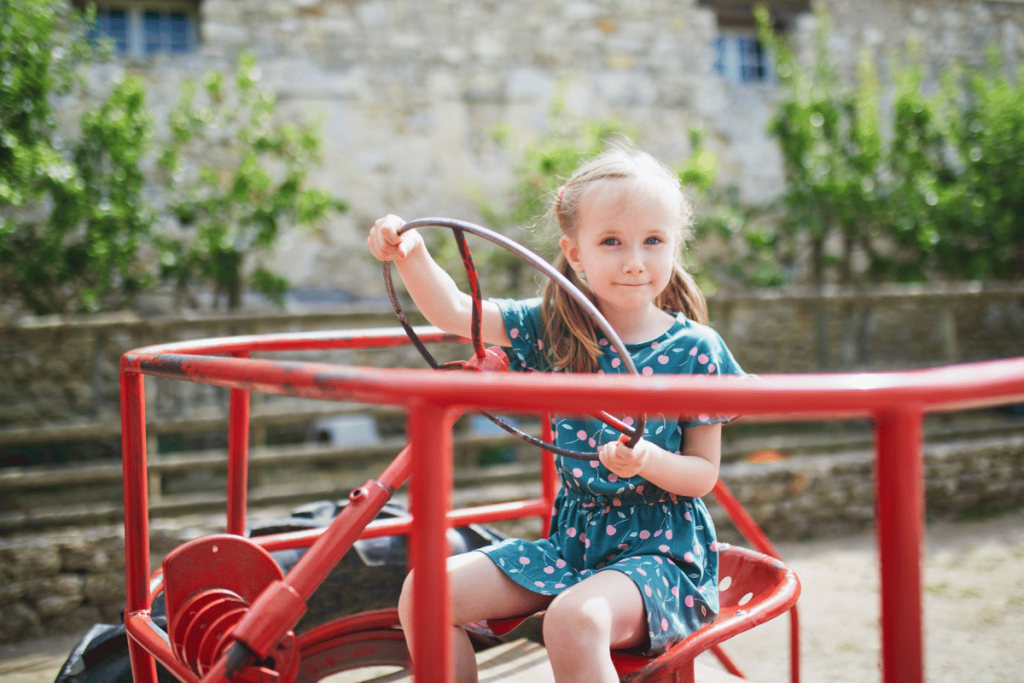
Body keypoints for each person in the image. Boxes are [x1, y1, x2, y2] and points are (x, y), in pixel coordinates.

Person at [367, 144, 745, 683]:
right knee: (426, 592)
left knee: (572, 620)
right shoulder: (553, 330)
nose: (634, 261)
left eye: (653, 241)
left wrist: (648, 461)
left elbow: (703, 476)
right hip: (574, 544)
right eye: (611, 241)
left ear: (675, 246)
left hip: (663, 556)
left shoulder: (696, 349)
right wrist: (410, 252)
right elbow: (455, 312)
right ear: (574, 252)